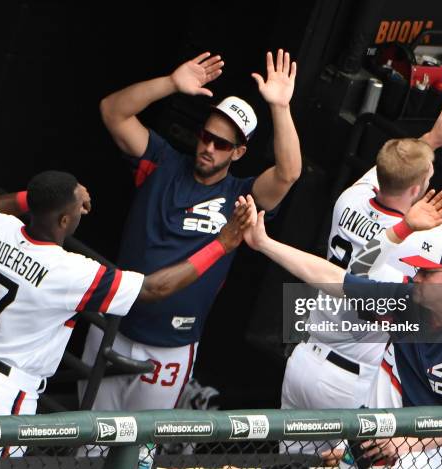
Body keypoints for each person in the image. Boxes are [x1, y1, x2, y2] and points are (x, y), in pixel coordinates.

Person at [0, 170, 251, 456]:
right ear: (64, 219)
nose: (82, 210)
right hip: (3, 396)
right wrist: (221, 244)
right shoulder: (68, 270)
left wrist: (39, 197)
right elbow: (153, 290)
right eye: (76, 208)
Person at [80, 49, 301, 420]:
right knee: (88, 442)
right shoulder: (162, 161)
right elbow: (112, 110)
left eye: (222, 144)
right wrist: (170, 83)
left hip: (170, 347)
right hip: (113, 324)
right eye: (206, 137)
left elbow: (289, 172)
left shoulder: (240, 195)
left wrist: (280, 107)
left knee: (139, 450)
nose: (209, 148)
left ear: (239, 152)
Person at [280, 101, 442, 454]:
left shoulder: (351, 197)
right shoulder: (422, 241)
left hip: (303, 359)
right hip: (347, 379)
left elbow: (394, 169)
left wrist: (430, 140)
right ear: (419, 189)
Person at [238, 191, 442, 468]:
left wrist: (405, 443)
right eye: (416, 270)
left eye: (427, 273)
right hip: (417, 440)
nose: (415, 278)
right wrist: (264, 243)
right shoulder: (409, 300)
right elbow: (333, 277)